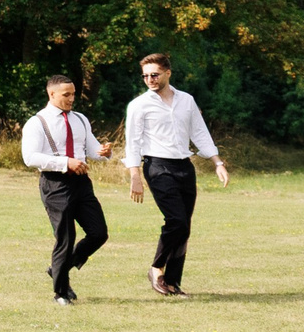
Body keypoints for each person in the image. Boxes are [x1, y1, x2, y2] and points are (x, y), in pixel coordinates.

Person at [122, 53, 228, 297]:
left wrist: (217, 163)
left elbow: (200, 133)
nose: (149, 79)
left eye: (154, 74)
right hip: (157, 166)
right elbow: (133, 142)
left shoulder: (186, 100)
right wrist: (135, 175)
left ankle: (172, 282)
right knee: (176, 220)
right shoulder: (139, 105)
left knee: (184, 226)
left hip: (184, 167)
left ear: (167, 73)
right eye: (145, 76)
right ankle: (156, 268)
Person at [22, 75, 111, 305]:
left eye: (73, 94)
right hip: (55, 184)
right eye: (66, 95)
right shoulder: (37, 122)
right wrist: (65, 163)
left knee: (99, 233)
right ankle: (60, 293)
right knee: (66, 238)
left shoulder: (80, 119)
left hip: (81, 183)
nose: (72, 99)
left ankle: (58, 269)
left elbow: (92, 149)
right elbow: (30, 157)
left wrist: (104, 152)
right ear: (51, 94)